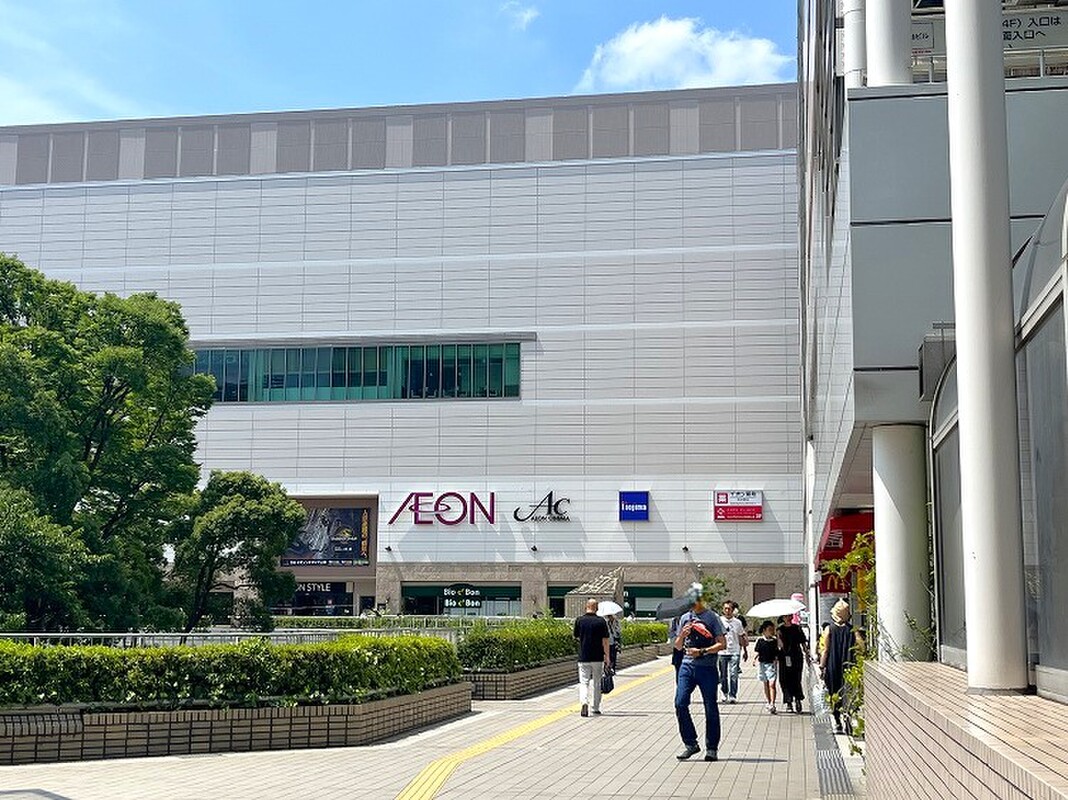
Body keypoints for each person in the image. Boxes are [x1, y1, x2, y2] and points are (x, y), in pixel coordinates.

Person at [673, 584, 727, 762]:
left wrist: (702, 651)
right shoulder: (684, 618)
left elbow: (722, 644)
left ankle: (712, 748)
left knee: (710, 707)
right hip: (686, 666)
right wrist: (682, 635)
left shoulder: (712, 617)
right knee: (680, 703)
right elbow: (678, 646)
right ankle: (690, 744)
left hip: (707, 667)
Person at [820, 599, 864, 734]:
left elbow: (825, 650)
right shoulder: (853, 630)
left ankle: (837, 721)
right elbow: (861, 647)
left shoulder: (829, 629)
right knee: (848, 692)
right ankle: (848, 719)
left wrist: (822, 666)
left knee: (834, 692)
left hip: (833, 665)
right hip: (849, 665)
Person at [573, 597, 611, 717]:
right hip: (597, 657)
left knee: (584, 682)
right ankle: (595, 707)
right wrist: (607, 657)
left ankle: (584, 702)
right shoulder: (601, 622)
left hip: (583, 656)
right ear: (597, 608)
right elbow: (605, 641)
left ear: (586, 607)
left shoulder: (579, 620)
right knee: (597, 683)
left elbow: (576, 636)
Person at [717, 599, 748, 703]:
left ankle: (733, 695)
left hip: (735, 651)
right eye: (725, 609)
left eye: (729, 609)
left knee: (734, 674)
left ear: (733, 610)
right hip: (722, 652)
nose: (727, 611)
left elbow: (741, 636)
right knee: (723, 675)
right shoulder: (719, 621)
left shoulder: (738, 622)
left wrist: (745, 651)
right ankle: (724, 692)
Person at [777, 613, 809, 713]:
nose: (787, 618)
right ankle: (789, 702)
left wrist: (807, 654)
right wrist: (778, 637)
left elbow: (803, 642)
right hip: (784, 656)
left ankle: (798, 700)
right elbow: (779, 645)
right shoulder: (780, 629)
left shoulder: (797, 628)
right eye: (785, 616)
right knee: (784, 679)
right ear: (782, 618)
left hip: (796, 656)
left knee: (796, 679)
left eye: (789, 615)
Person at [754, 620, 780, 714]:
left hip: (771, 664)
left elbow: (777, 652)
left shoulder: (775, 641)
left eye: (773, 630)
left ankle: (773, 703)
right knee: (765, 683)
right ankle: (768, 701)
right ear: (764, 630)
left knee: (772, 684)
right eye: (770, 630)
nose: (772, 632)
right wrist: (754, 659)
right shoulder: (760, 640)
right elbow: (757, 651)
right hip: (762, 664)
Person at [667, 616, 685, 680]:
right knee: (678, 667)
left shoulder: (688, 618)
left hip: (687, 648)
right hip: (677, 649)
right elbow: (671, 634)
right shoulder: (674, 621)